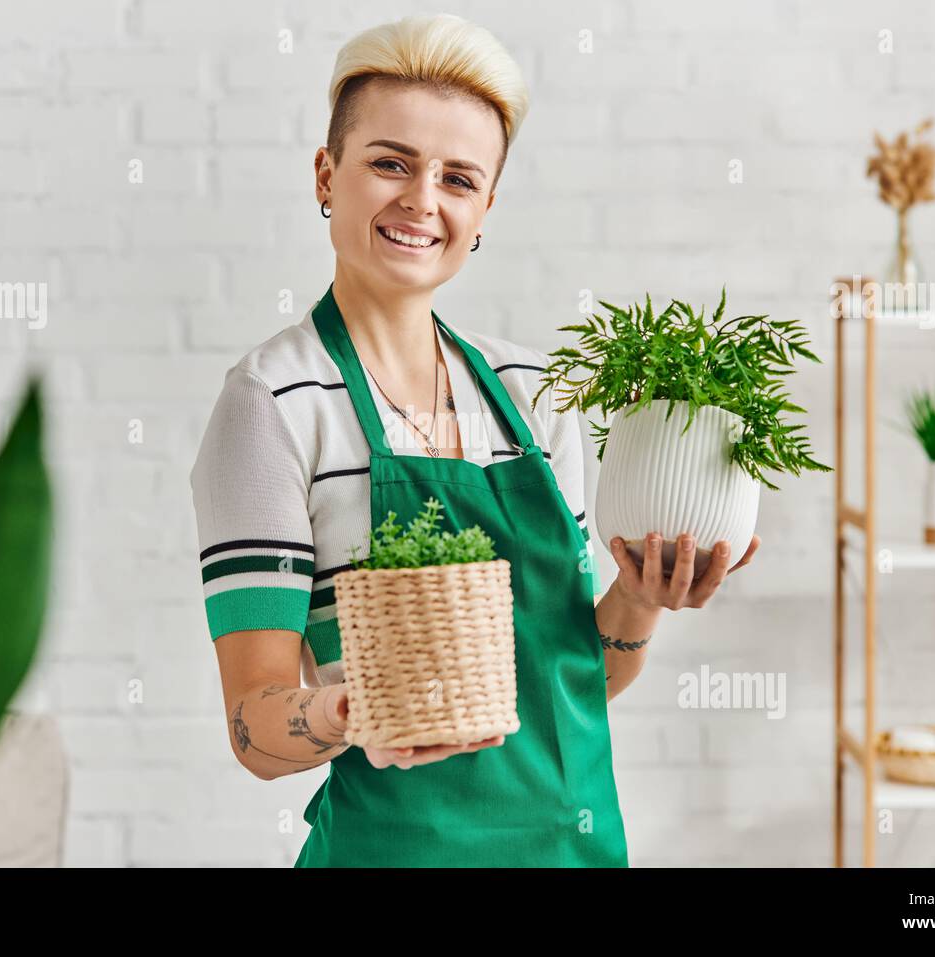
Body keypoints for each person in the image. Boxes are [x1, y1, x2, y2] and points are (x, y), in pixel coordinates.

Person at [189, 13, 759, 868]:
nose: (422, 200)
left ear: (486, 206)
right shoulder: (271, 405)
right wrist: (346, 714)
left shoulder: (536, 396)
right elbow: (253, 725)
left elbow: (572, 681)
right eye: (391, 162)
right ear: (326, 174)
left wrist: (638, 598)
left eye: (459, 178)